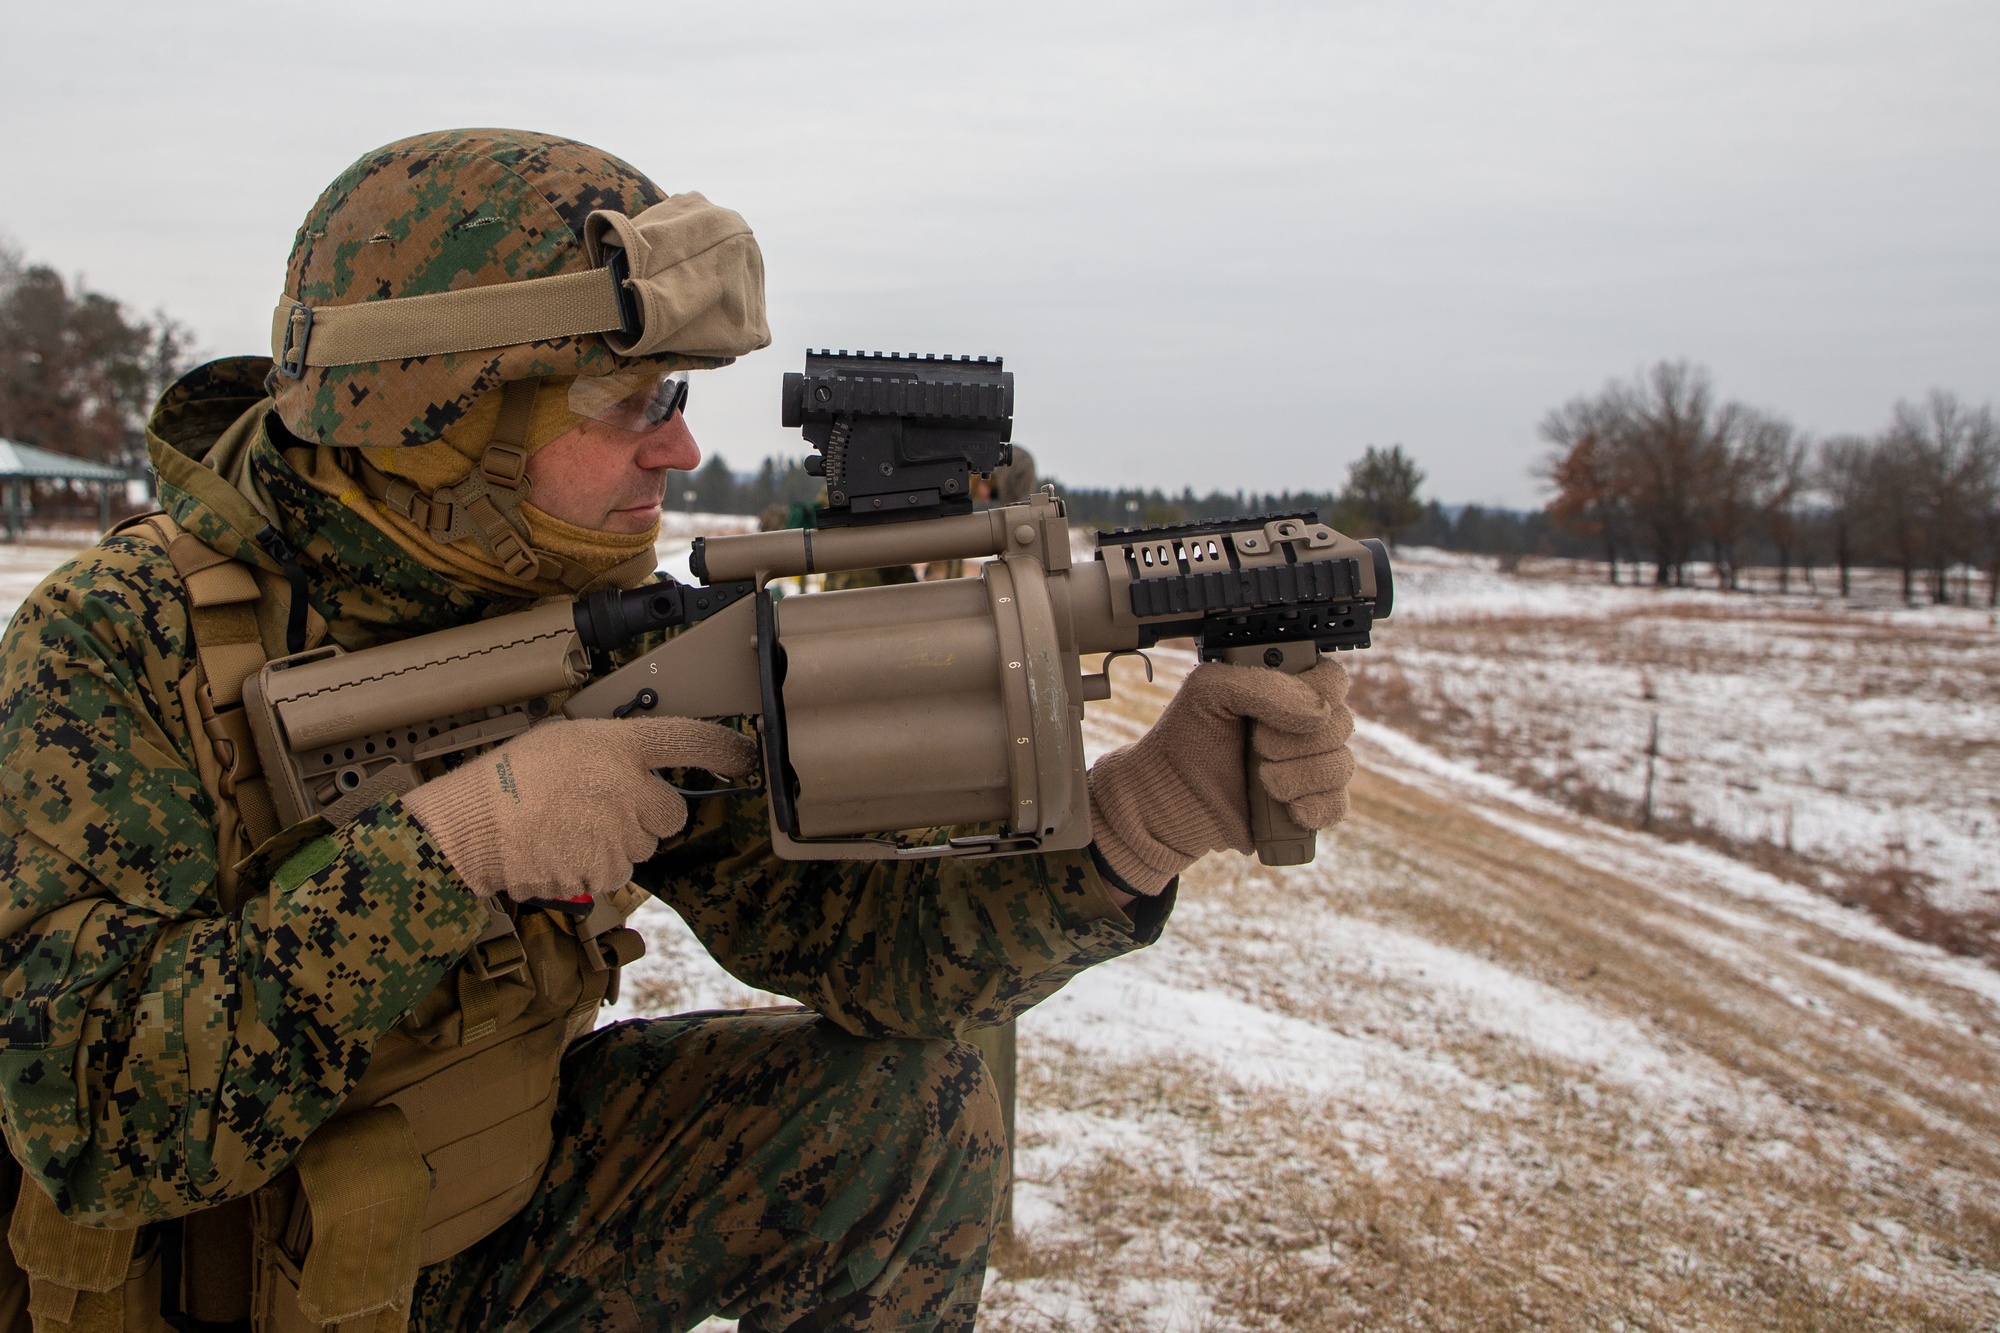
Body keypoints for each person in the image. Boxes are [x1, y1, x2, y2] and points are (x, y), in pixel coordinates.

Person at [0, 129, 1356, 1333]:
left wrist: (1136, 827)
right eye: (635, 401)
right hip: (197, 1297)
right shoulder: (115, 644)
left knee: (908, 1105)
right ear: (436, 416)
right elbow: (97, 1118)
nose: (682, 451)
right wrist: (454, 846)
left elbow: (858, 957)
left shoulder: (600, 626)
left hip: (479, 1249)